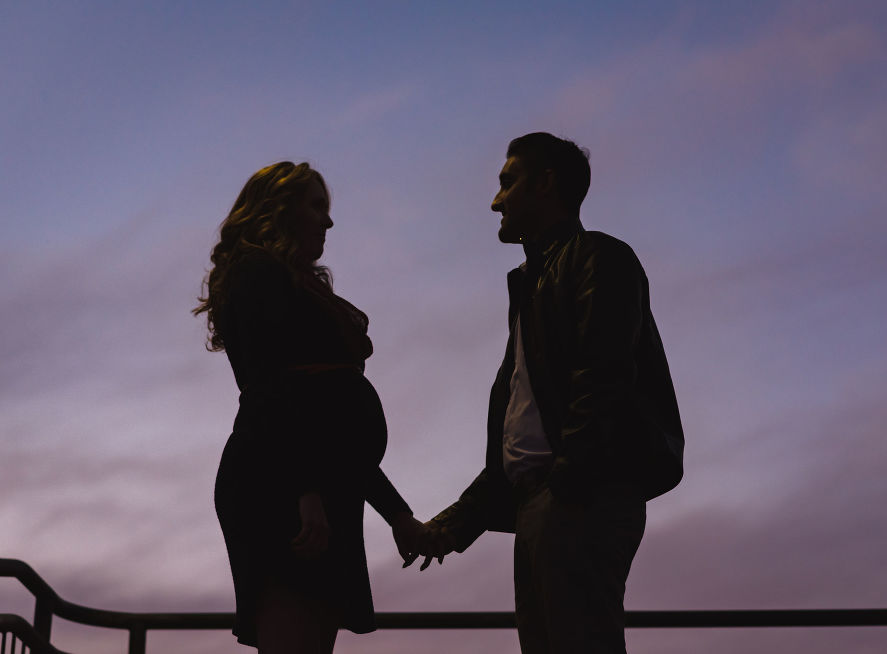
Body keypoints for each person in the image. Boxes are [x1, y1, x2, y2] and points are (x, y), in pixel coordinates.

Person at [411, 133, 685, 653]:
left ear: (546, 184)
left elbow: (602, 378)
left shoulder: (597, 258)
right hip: (548, 502)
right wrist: (457, 522)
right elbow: (520, 433)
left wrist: (567, 484)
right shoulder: (533, 291)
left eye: (507, 183)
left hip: (573, 500)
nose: (496, 201)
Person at [195, 162, 429, 653]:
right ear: (279, 209)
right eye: (317, 206)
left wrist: (396, 513)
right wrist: (304, 491)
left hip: (319, 484)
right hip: (282, 485)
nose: (328, 222)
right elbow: (268, 391)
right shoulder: (257, 272)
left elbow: (333, 426)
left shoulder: (295, 283)